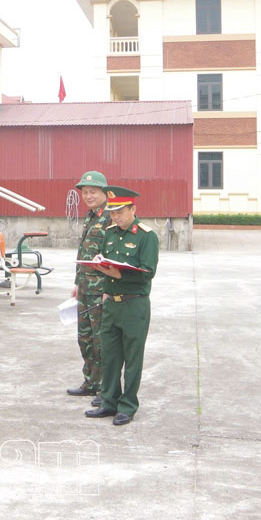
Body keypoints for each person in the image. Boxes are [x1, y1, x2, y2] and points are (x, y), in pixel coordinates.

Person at [84, 185, 158, 427]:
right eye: (112, 212)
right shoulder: (110, 233)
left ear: (133, 210)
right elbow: (107, 262)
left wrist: (119, 274)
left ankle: (127, 406)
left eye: (120, 212)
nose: (115, 217)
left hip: (134, 305)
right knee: (110, 356)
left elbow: (148, 272)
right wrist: (100, 265)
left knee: (132, 359)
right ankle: (109, 401)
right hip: (112, 304)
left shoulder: (146, 236)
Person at [68, 171, 111, 404]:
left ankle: (106, 387)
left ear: (104, 192)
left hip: (100, 289)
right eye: (85, 192)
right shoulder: (91, 216)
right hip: (85, 287)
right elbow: (84, 252)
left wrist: (110, 288)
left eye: (93, 192)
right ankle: (91, 382)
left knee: (101, 340)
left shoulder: (111, 217)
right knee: (84, 338)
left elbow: (113, 254)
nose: (88, 196)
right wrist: (77, 282)